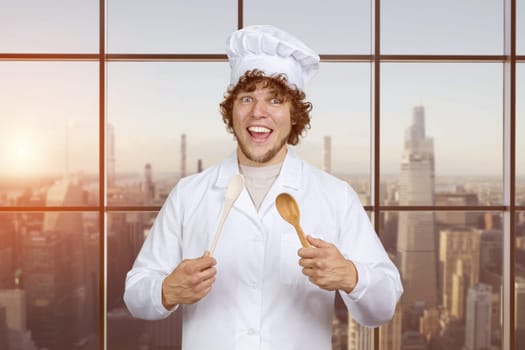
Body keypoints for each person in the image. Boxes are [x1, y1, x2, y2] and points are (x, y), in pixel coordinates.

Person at [124, 25, 403, 350]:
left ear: (293, 114)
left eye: (275, 99)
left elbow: (384, 304)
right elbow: (135, 293)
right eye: (246, 98)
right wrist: (166, 291)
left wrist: (352, 277)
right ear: (232, 110)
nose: (259, 112)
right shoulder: (189, 194)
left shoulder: (335, 196)